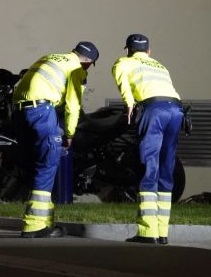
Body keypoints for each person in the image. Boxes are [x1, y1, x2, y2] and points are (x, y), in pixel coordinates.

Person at [13, 41, 99, 238]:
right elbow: (73, 105)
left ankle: (44, 221)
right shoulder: (77, 69)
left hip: (19, 112)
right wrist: (69, 133)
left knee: (34, 166)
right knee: (48, 163)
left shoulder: (50, 57)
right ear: (88, 62)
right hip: (42, 112)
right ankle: (35, 226)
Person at [112, 34, 183, 245]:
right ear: (148, 51)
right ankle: (162, 232)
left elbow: (124, 85)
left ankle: (147, 232)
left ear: (127, 50)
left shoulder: (124, 62)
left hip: (153, 110)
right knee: (166, 166)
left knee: (148, 164)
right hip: (177, 109)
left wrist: (129, 105)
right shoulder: (160, 65)